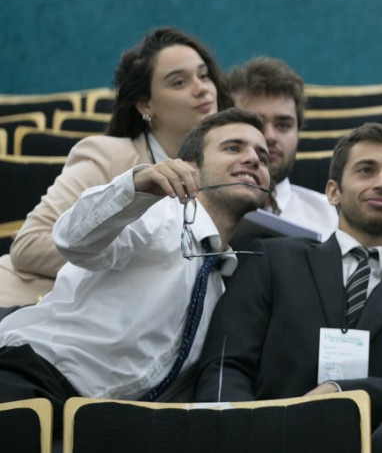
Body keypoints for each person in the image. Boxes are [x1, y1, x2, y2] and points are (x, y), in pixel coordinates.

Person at [0, 109, 270, 423]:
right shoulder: (155, 214)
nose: (253, 159)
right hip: (31, 378)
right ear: (191, 167)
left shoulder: (225, 284)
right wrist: (135, 186)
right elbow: (72, 239)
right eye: (233, 148)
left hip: (99, 424)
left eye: (263, 157)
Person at [194, 123, 382, 428]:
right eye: (366, 170)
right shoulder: (272, 260)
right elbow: (226, 365)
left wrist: (342, 392)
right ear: (333, 192)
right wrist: (251, 434)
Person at [0, 27, 231, 307]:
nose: (201, 88)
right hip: (34, 308)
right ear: (145, 104)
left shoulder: (228, 168)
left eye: (204, 75)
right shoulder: (107, 155)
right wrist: (138, 263)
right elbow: (28, 245)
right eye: (179, 82)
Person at [224, 56, 337, 239]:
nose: (270, 136)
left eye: (283, 125)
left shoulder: (331, 216)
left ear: (298, 131)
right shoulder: (193, 212)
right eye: (256, 123)